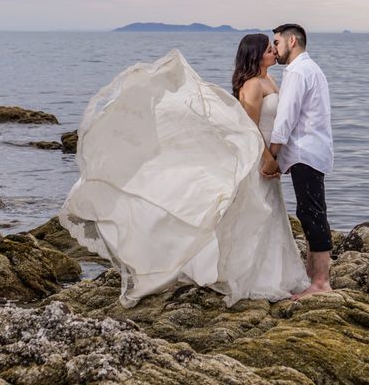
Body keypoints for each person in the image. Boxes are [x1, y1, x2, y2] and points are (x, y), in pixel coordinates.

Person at [58, 36, 308, 308]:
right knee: (255, 215)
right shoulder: (251, 85)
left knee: (271, 215)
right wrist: (267, 159)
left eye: (274, 46)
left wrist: (278, 156)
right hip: (258, 161)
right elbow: (248, 130)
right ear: (255, 54)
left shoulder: (271, 80)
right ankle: (250, 276)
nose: (273, 50)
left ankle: (276, 272)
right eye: (268, 48)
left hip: (271, 159)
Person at [267, 23, 334, 299]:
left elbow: (286, 117)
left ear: (292, 41)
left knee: (312, 214)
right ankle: (313, 278)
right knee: (311, 212)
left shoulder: (296, 72)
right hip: (313, 152)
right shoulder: (311, 69)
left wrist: (272, 154)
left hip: (305, 152)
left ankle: (320, 283)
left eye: (277, 43)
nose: (275, 49)